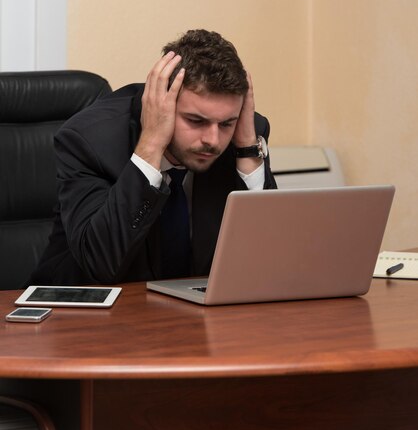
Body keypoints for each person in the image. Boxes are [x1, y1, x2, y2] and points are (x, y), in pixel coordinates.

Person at [29, 29, 277, 285]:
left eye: (226, 123)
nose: (213, 140)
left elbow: (271, 260)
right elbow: (100, 263)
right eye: (195, 120)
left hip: (191, 311)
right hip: (82, 311)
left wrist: (247, 149)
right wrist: (151, 144)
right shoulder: (89, 140)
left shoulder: (243, 136)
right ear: (162, 104)